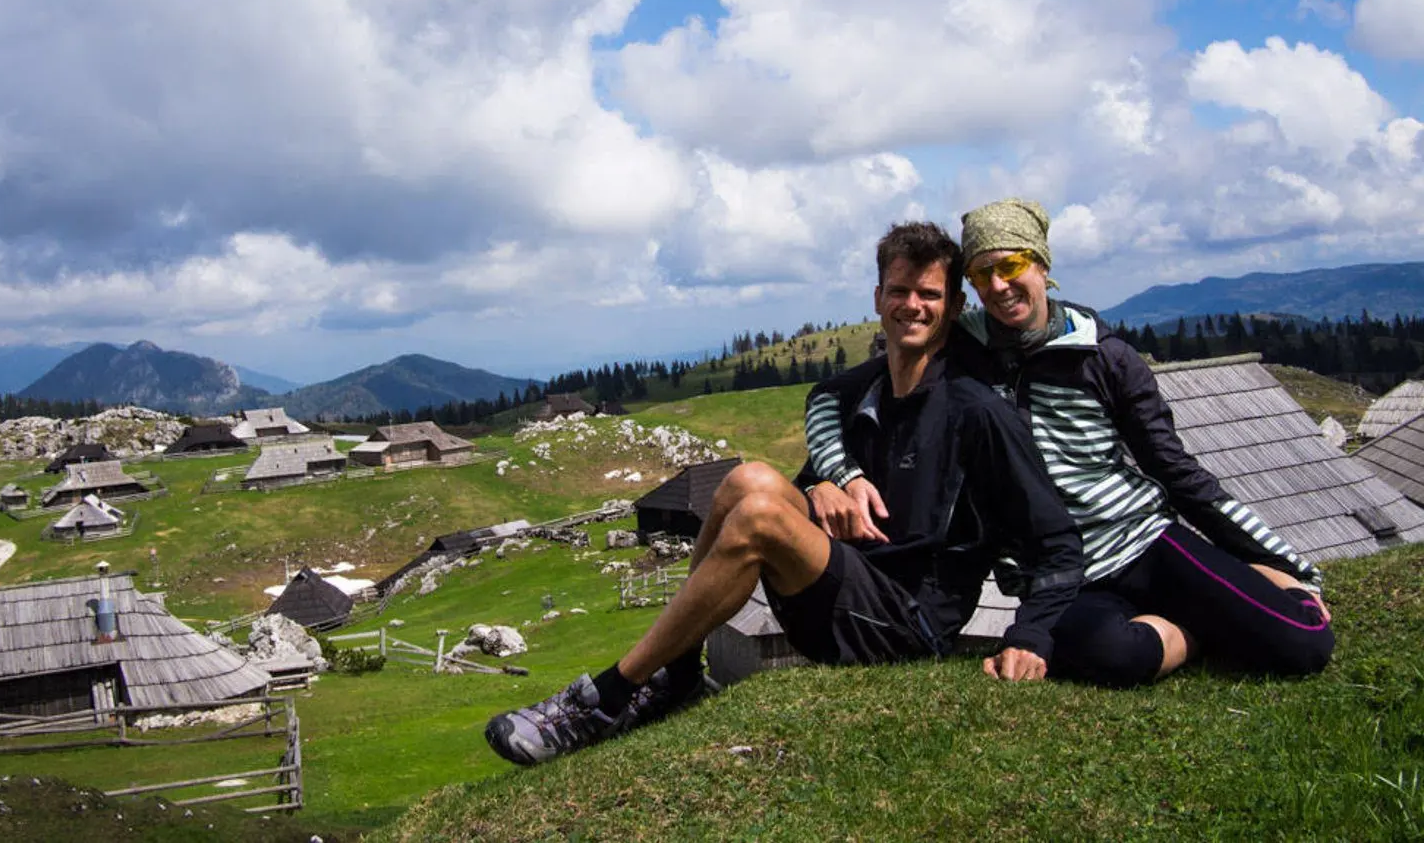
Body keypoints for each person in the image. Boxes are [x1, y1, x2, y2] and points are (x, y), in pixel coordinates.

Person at [484, 221, 1084, 767]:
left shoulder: (976, 410)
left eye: (929, 294)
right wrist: (822, 484)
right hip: (844, 591)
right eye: (899, 290)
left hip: (909, 624)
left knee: (762, 512)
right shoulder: (863, 393)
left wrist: (1029, 636)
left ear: (953, 306)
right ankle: (677, 671)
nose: (912, 305)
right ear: (878, 298)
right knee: (746, 480)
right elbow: (797, 475)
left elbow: (1055, 540)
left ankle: (609, 696)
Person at [805, 198, 1335, 688]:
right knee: (1105, 656)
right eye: (982, 273)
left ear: (1041, 265)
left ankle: (1262, 582)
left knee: (1302, 645)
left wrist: (1290, 564)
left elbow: (1177, 472)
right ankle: (1197, 630)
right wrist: (839, 473)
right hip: (1058, 575)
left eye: (1011, 266)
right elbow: (832, 397)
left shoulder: (1105, 358)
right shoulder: (960, 343)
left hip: (1140, 542)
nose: (998, 286)